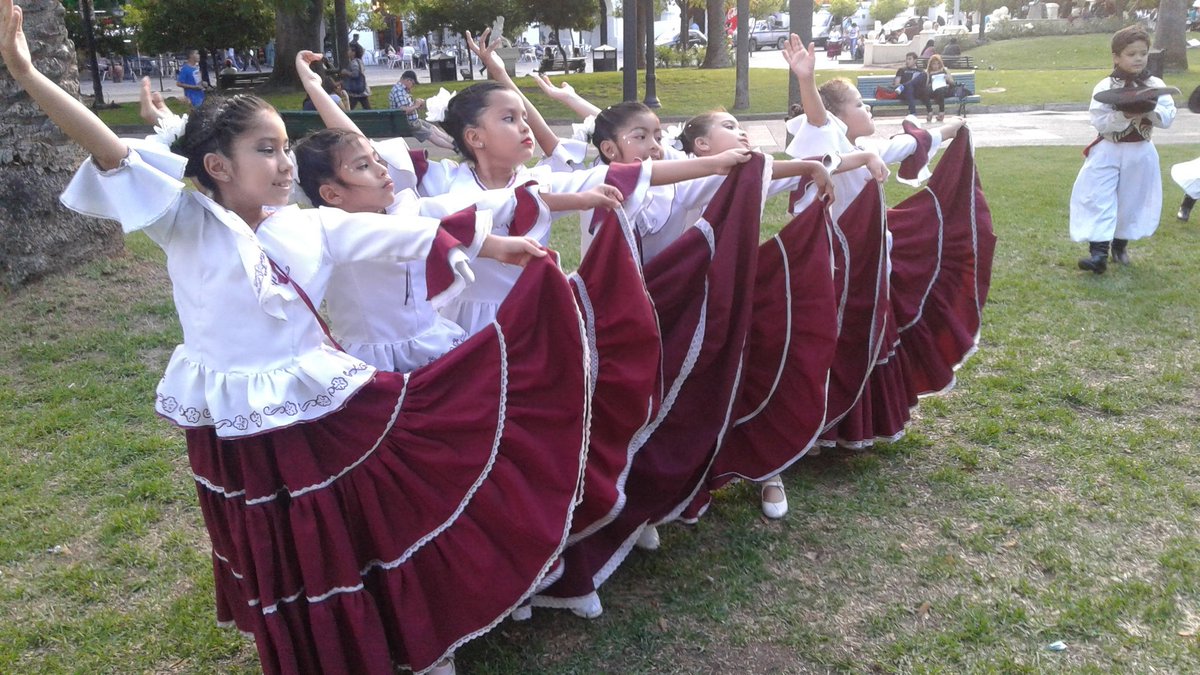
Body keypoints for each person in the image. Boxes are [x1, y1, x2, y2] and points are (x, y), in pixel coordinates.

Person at [2, 0, 603, 669]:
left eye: (287, 148)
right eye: (265, 149)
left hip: (316, 407)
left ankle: (397, 632)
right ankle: (305, 643)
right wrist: (28, 74)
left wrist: (496, 244)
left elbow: (409, 232)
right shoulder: (184, 219)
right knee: (272, 536)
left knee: (339, 524)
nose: (285, 163)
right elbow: (107, 149)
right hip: (232, 419)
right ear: (217, 167)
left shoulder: (311, 225)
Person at [1069, 24, 1176, 273]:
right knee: (1097, 195)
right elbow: (1099, 120)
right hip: (1108, 149)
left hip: (1140, 151)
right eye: (1131, 53)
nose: (1138, 58)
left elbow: (1168, 118)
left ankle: (1120, 245)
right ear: (1116, 56)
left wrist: (1148, 108)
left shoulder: (1155, 83)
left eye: (1143, 53)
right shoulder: (1105, 87)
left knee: (1132, 200)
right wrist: (1125, 113)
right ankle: (1098, 254)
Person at [388, 69, 455, 149]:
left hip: (412, 120)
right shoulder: (399, 91)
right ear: (408, 80)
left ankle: (454, 142)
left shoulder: (402, 89)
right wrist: (416, 106)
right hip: (407, 123)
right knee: (431, 134)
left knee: (433, 128)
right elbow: (403, 111)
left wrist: (417, 104)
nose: (413, 86)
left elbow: (406, 106)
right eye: (413, 84)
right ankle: (455, 148)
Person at [923, 53, 956, 123]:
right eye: (934, 64)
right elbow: (925, 85)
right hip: (933, 90)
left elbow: (952, 83)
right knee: (924, 91)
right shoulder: (928, 72)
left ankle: (941, 112)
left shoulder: (944, 70)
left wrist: (947, 79)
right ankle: (929, 111)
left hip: (944, 90)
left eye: (938, 64)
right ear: (930, 64)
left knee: (940, 90)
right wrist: (929, 81)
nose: (936, 66)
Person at [893, 52, 927, 116]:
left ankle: (913, 113)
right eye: (906, 59)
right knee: (909, 88)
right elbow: (896, 84)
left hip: (917, 92)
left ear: (915, 60)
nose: (907, 61)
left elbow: (924, 84)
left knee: (922, 75)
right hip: (904, 93)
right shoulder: (902, 70)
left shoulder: (920, 71)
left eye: (909, 59)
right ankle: (912, 112)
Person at [340, 42, 371, 109]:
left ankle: (346, 117)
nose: (348, 52)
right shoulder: (360, 61)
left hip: (355, 89)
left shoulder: (354, 62)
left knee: (350, 107)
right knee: (366, 107)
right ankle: (374, 117)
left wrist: (346, 72)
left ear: (353, 52)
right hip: (362, 88)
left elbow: (355, 74)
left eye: (349, 50)